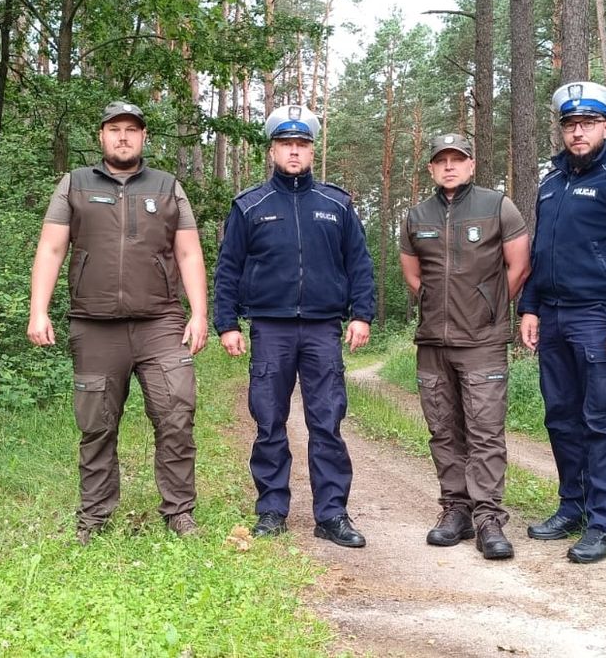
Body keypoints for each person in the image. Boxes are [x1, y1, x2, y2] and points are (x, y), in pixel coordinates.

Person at [27, 100, 209, 546]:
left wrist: (201, 314)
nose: (123, 137)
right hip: (94, 324)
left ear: (144, 137)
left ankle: (179, 512)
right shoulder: (75, 184)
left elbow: (188, 252)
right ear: (101, 136)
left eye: (131, 129)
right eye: (114, 129)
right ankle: (94, 517)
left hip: (161, 323)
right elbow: (51, 249)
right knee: (97, 424)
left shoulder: (168, 187)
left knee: (176, 415)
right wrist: (38, 310)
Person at [213, 104, 375, 548]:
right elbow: (228, 268)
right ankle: (271, 509)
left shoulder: (336, 205)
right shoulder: (250, 206)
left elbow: (359, 264)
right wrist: (227, 323)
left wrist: (361, 314)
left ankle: (332, 514)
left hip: (323, 329)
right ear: (272, 151)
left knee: (327, 422)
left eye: (301, 144)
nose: (293, 151)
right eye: (286, 144)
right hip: (270, 329)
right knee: (269, 422)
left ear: (311, 150)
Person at [518, 82, 606, 563]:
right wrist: (530, 306)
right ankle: (572, 506)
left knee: (601, 420)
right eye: (570, 125)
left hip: (600, 316)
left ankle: (605, 521)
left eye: (587, 124)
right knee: (561, 416)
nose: (577, 133)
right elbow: (542, 252)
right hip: (554, 317)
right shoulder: (550, 182)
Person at [399, 134, 530, 560]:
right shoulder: (417, 215)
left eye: (458, 159)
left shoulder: (497, 206)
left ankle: (489, 517)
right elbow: (415, 277)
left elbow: (519, 267)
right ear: (432, 169)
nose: (450, 166)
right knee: (443, 429)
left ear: (472, 165)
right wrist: (440, 311)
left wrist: (488, 308)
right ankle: (455, 509)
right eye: (442, 161)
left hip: (484, 343)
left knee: (485, 430)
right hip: (433, 343)